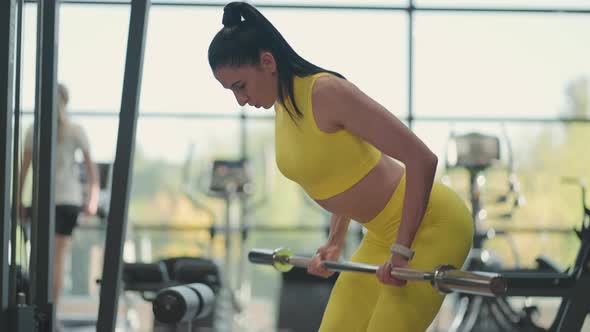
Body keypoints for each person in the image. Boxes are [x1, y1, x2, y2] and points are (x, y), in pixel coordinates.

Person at [208, 2, 474, 331]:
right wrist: (335, 242)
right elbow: (341, 177)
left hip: (433, 223)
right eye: (231, 91)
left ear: (267, 62)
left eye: (240, 86)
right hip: (380, 236)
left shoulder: (326, 92)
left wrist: (402, 250)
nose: (240, 100)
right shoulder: (283, 109)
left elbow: (422, 159)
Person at [18, 83, 100, 309]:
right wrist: (91, 200)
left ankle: (39, 312)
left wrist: (18, 202)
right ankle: (51, 315)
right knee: (58, 260)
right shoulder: (74, 130)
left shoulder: (35, 129)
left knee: (40, 259)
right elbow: (92, 171)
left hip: (45, 200)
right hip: (68, 201)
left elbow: (24, 171)